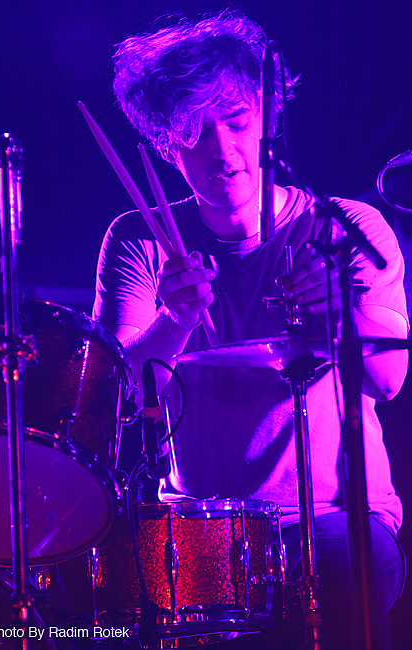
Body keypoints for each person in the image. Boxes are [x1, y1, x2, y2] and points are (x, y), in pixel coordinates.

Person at [92, 12, 408, 650]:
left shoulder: (347, 226)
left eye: (237, 121)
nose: (222, 149)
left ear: (269, 117)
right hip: (198, 521)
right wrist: (174, 320)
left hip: (335, 517)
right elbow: (114, 394)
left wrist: (337, 312)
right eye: (195, 131)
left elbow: (389, 379)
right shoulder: (139, 238)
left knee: (344, 585)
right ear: (165, 145)